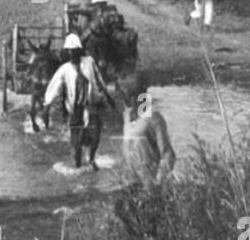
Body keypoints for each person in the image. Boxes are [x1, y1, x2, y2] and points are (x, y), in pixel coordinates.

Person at [43, 33, 115, 171]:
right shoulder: (65, 69)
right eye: (69, 51)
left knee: (95, 137)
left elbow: (98, 79)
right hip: (75, 108)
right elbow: (54, 86)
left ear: (79, 51)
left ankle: (92, 158)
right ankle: (77, 165)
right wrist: (47, 105)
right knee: (77, 143)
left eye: (74, 51)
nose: (72, 54)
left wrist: (108, 97)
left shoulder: (89, 62)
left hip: (91, 105)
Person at [120, 75, 176, 181]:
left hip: (149, 184)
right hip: (129, 182)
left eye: (125, 96)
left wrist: (158, 179)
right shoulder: (126, 116)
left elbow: (168, 155)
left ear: (134, 97)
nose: (123, 100)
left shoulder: (154, 118)